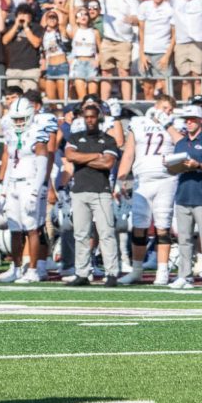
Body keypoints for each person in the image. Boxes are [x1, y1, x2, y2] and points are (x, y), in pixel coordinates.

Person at [116, 93, 181, 285]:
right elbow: (129, 154)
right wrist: (120, 179)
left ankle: (162, 271)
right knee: (139, 226)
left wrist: (169, 123)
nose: (166, 112)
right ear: (155, 106)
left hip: (167, 179)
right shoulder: (139, 123)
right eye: (164, 108)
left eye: (170, 109)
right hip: (142, 179)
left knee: (163, 226)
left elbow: (182, 144)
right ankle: (137, 270)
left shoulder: (175, 124)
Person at [167, 104, 202, 290]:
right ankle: (185, 275)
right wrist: (170, 165)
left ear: (201, 121)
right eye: (187, 120)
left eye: (193, 119)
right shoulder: (181, 143)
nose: (189, 122)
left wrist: (198, 165)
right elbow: (175, 167)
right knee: (184, 238)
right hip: (183, 194)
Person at [63, 100, 121, 287]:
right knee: (80, 234)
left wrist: (83, 159)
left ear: (98, 118)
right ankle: (82, 272)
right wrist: (96, 156)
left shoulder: (108, 139)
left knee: (106, 233)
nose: (89, 120)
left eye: (92, 117)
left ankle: (111, 272)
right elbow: (71, 156)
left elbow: (108, 163)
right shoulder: (74, 138)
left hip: (100, 191)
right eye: (86, 117)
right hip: (79, 190)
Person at [0, 97, 51, 283]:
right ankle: (16, 268)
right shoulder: (11, 133)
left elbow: (42, 165)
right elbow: (10, 161)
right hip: (13, 183)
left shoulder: (38, 132)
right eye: (16, 119)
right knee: (14, 228)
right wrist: (3, 187)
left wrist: (36, 190)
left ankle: (33, 270)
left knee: (32, 228)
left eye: (22, 119)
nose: (18, 122)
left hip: (29, 183)